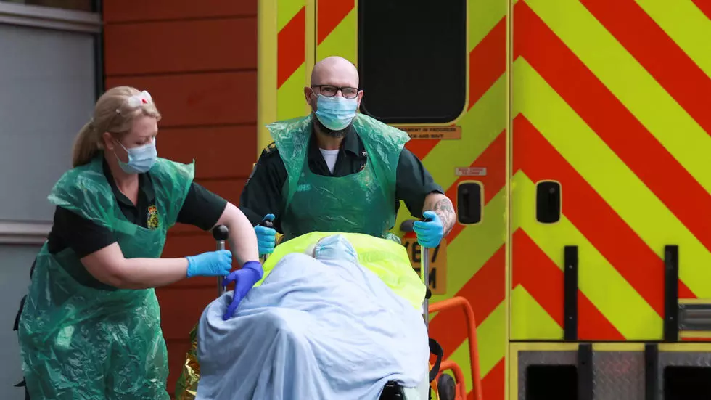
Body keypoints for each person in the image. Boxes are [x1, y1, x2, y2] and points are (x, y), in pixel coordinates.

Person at [15, 86, 261, 400]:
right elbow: (116, 271)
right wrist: (194, 265)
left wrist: (251, 264)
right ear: (109, 140)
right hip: (69, 326)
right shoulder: (83, 193)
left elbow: (233, 219)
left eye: (153, 138)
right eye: (140, 142)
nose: (150, 149)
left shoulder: (163, 180)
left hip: (133, 321)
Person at [239, 56, 456, 257]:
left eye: (348, 91)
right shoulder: (284, 154)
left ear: (359, 98)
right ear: (309, 95)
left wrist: (439, 220)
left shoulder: (384, 149)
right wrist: (252, 235)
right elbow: (246, 219)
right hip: (302, 277)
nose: (339, 99)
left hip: (374, 276)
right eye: (329, 90)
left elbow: (434, 198)